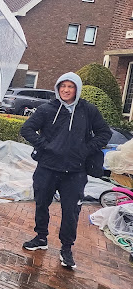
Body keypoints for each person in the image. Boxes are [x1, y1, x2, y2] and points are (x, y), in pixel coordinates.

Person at [20, 72, 111, 269]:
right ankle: (41, 237)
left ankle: (66, 248)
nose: (66, 90)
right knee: (41, 204)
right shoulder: (47, 109)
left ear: (77, 89)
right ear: (58, 88)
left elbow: (105, 133)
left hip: (75, 172)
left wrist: (86, 150)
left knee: (71, 211)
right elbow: (26, 129)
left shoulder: (88, 110)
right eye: (63, 86)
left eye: (70, 86)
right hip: (47, 168)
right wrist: (45, 145)